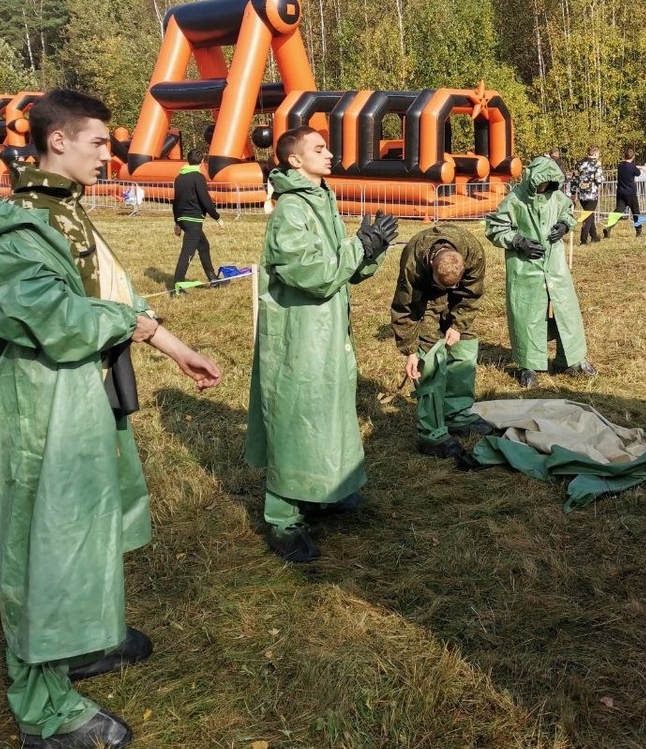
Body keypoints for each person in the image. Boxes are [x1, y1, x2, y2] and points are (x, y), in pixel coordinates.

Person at [0, 89, 221, 749]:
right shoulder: (21, 226)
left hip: (74, 401)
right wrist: (124, 324)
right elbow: (52, 319)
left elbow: (114, 291)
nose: (108, 155)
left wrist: (173, 348)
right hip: (36, 416)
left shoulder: (66, 212)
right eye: (97, 142)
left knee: (81, 534)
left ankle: (79, 647)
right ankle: (43, 710)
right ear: (57, 141)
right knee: (39, 551)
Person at [246, 125, 397, 564]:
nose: (329, 153)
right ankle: (284, 518)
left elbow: (342, 270)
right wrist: (358, 248)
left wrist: (371, 249)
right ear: (295, 160)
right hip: (300, 333)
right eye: (319, 148)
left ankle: (325, 487)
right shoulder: (291, 210)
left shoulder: (321, 199)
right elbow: (314, 274)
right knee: (295, 416)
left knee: (329, 408)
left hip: (328, 330)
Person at [485, 154, 596, 389]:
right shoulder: (515, 200)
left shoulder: (556, 197)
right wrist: (517, 241)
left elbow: (568, 212)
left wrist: (564, 225)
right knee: (527, 315)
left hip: (555, 265)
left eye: (549, 185)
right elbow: (495, 228)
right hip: (525, 268)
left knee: (566, 311)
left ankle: (572, 360)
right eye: (541, 184)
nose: (544, 189)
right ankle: (528, 365)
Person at [390, 223, 491, 460]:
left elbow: (472, 294)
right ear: (431, 265)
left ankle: (456, 414)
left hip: (460, 297)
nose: (449, 288)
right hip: (425, 298)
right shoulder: (414, 260)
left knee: (464, 347)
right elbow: (405, 307)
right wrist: (410, 351)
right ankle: (431, 433)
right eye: (444, 283)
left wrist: (458, 326)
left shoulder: (473, 252)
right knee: (430, 356)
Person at [172, 148, 224, 287]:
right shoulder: (198, 177)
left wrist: (177, 222)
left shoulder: (179, 178)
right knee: (187, 253)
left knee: (203, 246)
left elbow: (176, 201)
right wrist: (217, 218)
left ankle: (213, 279)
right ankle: (177, 285)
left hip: (183, 219)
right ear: (201, 162)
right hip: (193, 220)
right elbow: (205, 200)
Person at [607, 147, 643, 238]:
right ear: (633, 157)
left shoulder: (620, 165)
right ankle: (638, 231)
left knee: (618, 211)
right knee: (636, 212)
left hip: (620, 192)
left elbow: (627, 166)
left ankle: (608, 227)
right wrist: (639, 168)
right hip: (630, 193)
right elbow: (638, 173)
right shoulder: (632, 167)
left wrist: (636, 166)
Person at [574, 145, 605, 244]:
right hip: (592, 194)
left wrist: (573, 192)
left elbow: (575, 179)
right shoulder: (597, 164)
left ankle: (594, 236)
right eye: (598, 153)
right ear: (595, 153)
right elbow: (599, 180)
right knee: (587, 216)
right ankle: (583, 240)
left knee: (589, 214)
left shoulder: (579, 163)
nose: (599, 155)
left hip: (582, 194)